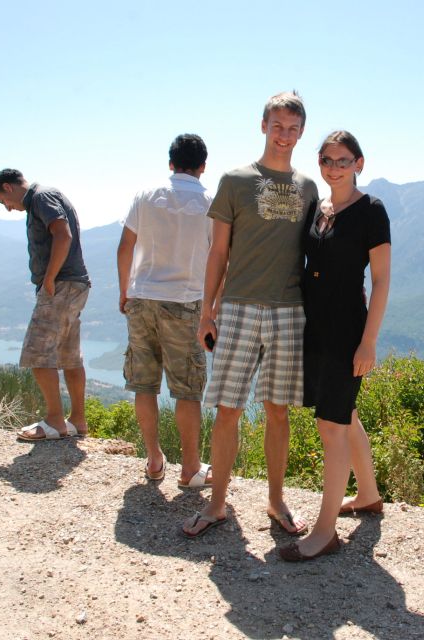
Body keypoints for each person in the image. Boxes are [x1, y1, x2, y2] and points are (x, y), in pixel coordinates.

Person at [182, 91, 319, 538]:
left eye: (293, 129)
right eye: (277, 126)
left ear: (301, 133)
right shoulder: (235, 181)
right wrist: (208, 311)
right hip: (238, 307)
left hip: (289, 310)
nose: (284, 136)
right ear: (263, 126)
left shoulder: (309, 188)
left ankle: (276, 501)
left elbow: (314, 250)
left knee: (278, 412)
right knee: (228, 410)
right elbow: (217, 250)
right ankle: (217, 504)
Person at [278, 130, 391, 561]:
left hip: (347, 329)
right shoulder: (318, 208)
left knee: (331, 425)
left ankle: (324, 533)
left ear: (359, 163)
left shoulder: (371, 211)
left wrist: (369, 342)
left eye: (344, 160)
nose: (335, 167)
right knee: (345, 413)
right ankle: (367, 495)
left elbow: (380, 281)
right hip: (314, 326)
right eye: (327, 159)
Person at [116, 134, 214, 487]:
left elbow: (125, 246)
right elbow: (220, 258)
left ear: (170, 163)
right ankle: (190, 468)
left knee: (144, 384)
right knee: (187, 389)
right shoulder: (209, 203)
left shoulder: (144, 196)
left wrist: (125, 291)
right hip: (185, 303)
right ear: (203, 167)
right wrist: (212, 308)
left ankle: (154, 459)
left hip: (141, 297)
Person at [0, 169, 91, 440]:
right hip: (75, 284)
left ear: (9, 187)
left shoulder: (41, 198)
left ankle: (55, 421)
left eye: (3, 201)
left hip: (61, 285)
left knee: (37, 353)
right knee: (69, 355)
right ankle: (78, 421)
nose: (8, 208)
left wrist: (49, 277)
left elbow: (63, 234)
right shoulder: (47, 197)